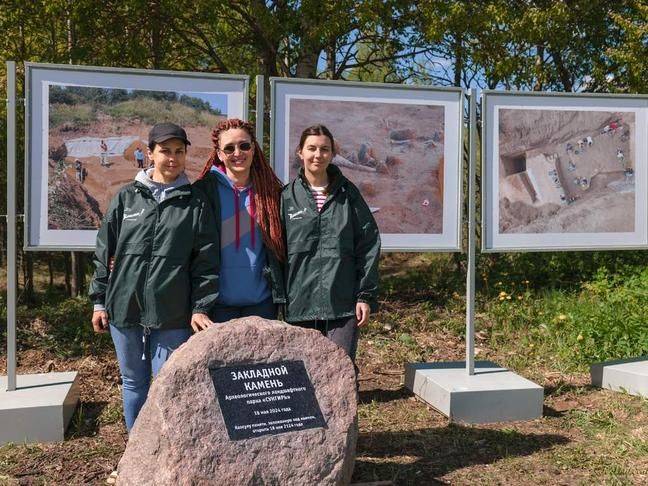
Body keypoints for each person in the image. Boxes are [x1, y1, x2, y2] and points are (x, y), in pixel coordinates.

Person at [89, 122, 219, 432]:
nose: (172, 158)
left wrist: (201, 305)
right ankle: (136, 450)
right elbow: (103, 251)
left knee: (168, 383)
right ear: (150, 154)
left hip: (172, 313)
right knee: (133, 381)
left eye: (179, 152)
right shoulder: (127, 199)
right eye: (165, 151)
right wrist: (98, 301)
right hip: (124, 308)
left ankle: (165, 454)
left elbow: (206, 261)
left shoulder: (195, 203)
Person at [281, 124, 380, 361]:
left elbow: (368, 245)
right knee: (303, 375)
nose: (318, 155)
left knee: (340, 368)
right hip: (299, 304)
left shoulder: (349, 195)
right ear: (300, 152)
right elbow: (275, 252)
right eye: (312, 148)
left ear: (333, 153)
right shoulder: (285, 197)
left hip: (342, 303)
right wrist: (279, 300)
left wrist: (364, 296)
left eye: (324, 149)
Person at [193, 118, 285, 322]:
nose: (237, 153)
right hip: (217, 305)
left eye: (244, 145)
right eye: (229, 148)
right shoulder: (203, 192)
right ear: (219, 153)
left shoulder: (272, 193)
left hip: (262, 304)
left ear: (253, 148)